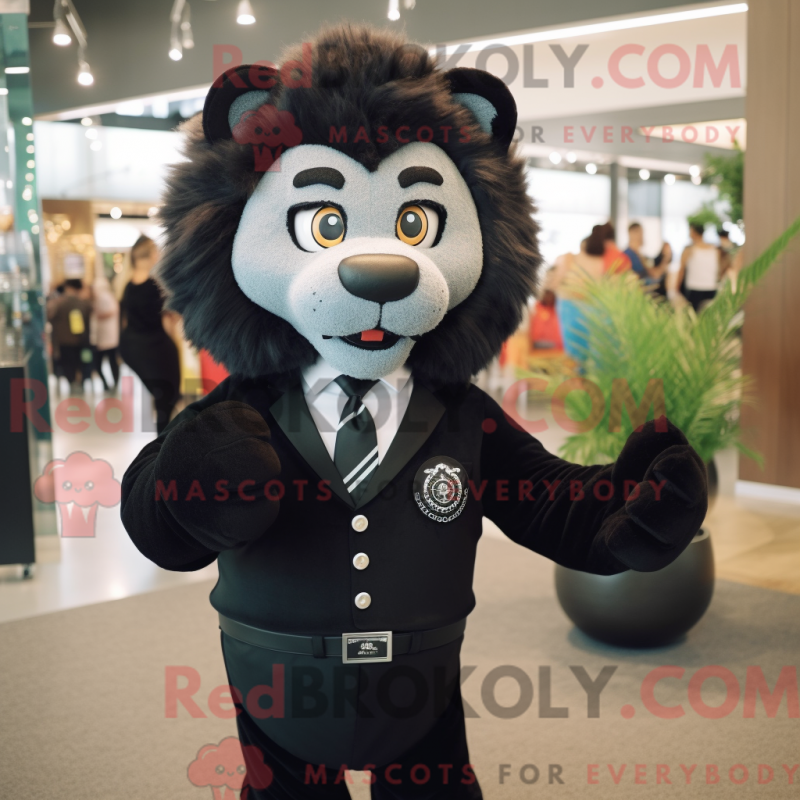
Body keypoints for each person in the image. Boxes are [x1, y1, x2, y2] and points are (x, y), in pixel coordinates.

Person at [119, 235, 180, 434]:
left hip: (132, 347)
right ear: (153, 254)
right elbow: (169, 320)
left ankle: (162, 438)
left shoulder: (128, 287)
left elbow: (125, 321)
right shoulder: (155, 285)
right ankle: (162, 440)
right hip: (154, 347)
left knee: (162, 395)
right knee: (168, 395)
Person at [47, 278, 92, 391]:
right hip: (80, 339)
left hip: (63, 340)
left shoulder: (59, 302)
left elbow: (49, 316)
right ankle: (79, 382)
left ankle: (72, 382)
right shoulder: (83, 302)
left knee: (67, 363)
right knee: (79, 362)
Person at [677, 223, 721, 312]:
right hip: (710, 287)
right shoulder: (715, 249)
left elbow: (681, 270)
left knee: (694, 315)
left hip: (695, 288)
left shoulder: (689, 249)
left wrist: (676, 288)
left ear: (693, 232)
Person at [91, 272, 120, 390]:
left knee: (104, 363)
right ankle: (111, 384)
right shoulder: (107, 297)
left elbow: (111, 311)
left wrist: (99, 315)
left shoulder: (104, 297)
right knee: (110, 362)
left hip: (107, 338)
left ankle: (112, 384)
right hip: (105, 337)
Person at [624, 222, 667, 293]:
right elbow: (655, 274)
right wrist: (666, 258)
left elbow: (654, 273)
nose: (642, 236)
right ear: (632, 234)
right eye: (640, 233)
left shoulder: (640, 255)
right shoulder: (627, 255)